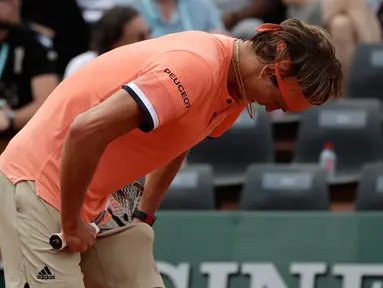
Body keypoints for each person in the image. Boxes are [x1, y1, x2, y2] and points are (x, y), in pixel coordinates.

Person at [0, 18, 342, 287]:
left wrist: (144, 214)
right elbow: (85, 129)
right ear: (270, 73)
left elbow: (180, 142)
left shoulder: (235, 87)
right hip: (40, 184)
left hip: (95, 199)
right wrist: (71, 222)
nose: (272, 111)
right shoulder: (197, 68)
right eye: (279, 101)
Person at [0, 0, 58, 138]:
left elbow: (48, 105)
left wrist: (10, 118)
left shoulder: (32, 43)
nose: (16, 3)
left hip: (16, 139)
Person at [64, 6, 150, 78]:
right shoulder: (82, 67)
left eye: (149, 33)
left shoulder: (154, 67)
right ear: (115, 44)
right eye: (141, 37)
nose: (149, 40)